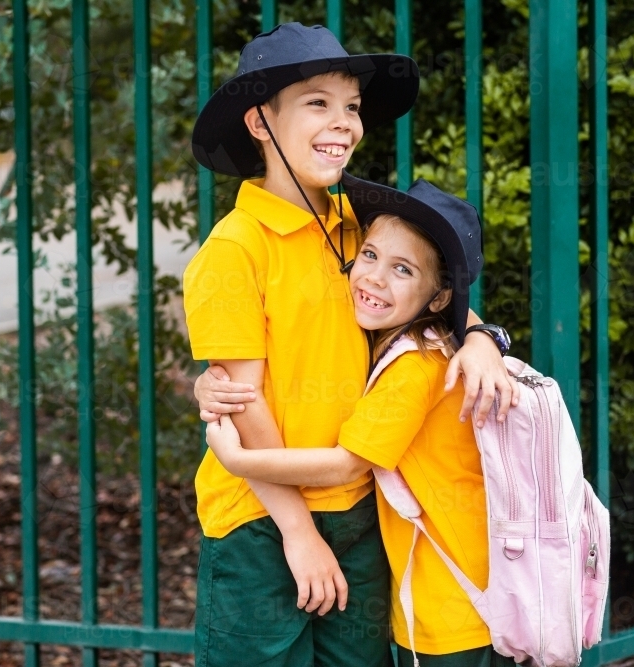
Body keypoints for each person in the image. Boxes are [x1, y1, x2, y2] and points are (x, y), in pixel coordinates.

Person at [185, 23, 517, 666]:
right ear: (259, 121)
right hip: (261, 520)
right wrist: (299, 533)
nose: (344, 123)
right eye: (317, 103)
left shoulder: (355, 225)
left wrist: (479, 338)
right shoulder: (234, 249)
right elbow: (244, 405)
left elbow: (428, 290)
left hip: (359, 511)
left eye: (352, 107)